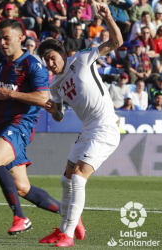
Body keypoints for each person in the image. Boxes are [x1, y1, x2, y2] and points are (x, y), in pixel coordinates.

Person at [0, 19, 75, 236]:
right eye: (0, 38)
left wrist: (11, 94)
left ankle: (20, 217)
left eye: (6, 38)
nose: (1, 42)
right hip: (2, 127)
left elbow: (42, 97)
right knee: (22, 188)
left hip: (20, 125)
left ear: (20, 38)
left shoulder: (32, 65)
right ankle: (71, 216)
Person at [36, 4, 122, 247]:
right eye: (46, 61)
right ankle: (65, 226)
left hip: (105, 128)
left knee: (78, 179)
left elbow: (116, 42)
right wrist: (54, 110)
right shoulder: (54, 86)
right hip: (87, 131)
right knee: (65, 180)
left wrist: (108, 18)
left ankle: (69, 235)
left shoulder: (83, 58)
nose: (50, 64)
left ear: (62, 54)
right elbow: (60, 116)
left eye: (52, 58)